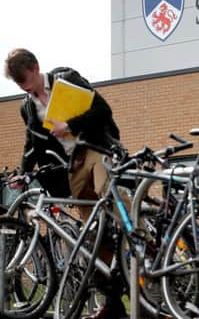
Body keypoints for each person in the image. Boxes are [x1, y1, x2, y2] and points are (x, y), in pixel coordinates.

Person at [4, 48, 126, 319]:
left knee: (109, 196)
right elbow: (32, 144)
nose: (24, 87)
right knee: (94, 235)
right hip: (73, 165)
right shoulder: (28, 106)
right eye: (18, 84)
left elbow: (103, 110)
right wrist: (22, 172)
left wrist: (69, 124)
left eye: (25, 80)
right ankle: (114, 302)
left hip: (95, 148)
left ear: (35, 68)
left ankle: (138, 234)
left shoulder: (65, 79)